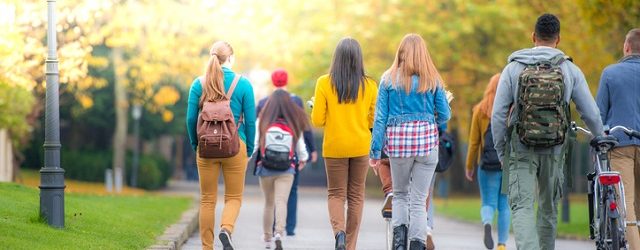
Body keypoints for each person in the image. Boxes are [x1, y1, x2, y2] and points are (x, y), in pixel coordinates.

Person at [492, 14, 604, 250]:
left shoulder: (512, 68)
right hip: (555, 148)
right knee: (548, 207)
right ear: (558, 39)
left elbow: (498, 115)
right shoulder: (570, 70)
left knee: (521, 206)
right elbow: (591, 113)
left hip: (520, 148)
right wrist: (601, 138)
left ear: (533, 37)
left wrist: (503, 153)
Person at [370, 33, 451, 250]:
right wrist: (430, 116)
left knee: (400, 195)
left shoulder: (388, 79)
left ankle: (398, 246)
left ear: (401, 53)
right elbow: (444, 115)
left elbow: (380, 118)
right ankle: (417, 245)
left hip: (398, 146)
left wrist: (375, 152)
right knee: (419, 200)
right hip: (426, 144)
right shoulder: (432, 79)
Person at [186, 41, 256, 250]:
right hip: (236, 146)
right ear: (231, 59)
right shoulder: (243, 84)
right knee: (234, 197)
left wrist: (195, 144)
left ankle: (207, 247)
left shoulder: (198, 84)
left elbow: (191, 119)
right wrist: (249, 149)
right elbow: (251, 121)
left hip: (206, 148)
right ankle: (226, 229)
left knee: (207, 199)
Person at [310, 37, 378, 250]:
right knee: (356, 195)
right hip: (360, 146)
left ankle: (339, 232)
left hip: (335, 146)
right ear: (359, 59)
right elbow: (373, 119)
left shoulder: (324, 82)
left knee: (336, 194)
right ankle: (350, 246)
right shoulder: (370, 85)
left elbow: (317, 120)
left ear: (336, 58)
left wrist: (316, 107)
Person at [256, 69, 318, 236]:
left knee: (270, 200)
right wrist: (311, 150)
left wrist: (253, 153)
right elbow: (304, 127)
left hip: (267, 157)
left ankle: (270, 231)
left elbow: (258, 131)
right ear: (286, 81)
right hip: (291, 155)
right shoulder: (295, 101)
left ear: (273, 81)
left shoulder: (263, 103)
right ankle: (287, 228)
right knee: (291, 192)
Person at [596, 28, 640, 250]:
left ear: (626, 47)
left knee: (627, 206)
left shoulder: (610, 73)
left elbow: (598, 116)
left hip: (620, 145)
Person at [254, 89, 310, 250]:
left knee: (268, 203)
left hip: (265, 167)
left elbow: (256, 144)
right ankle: (279, 232)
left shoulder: (263, 120)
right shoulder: (293, 121)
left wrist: (247, 157)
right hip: (287, 169)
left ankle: (267, 237)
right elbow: (301, 147)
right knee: (281, 201)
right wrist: (303, 159)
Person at [465, 74, 510, 250]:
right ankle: (501, 244)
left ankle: (487, 223)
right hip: (506, 165)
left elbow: (474, 142)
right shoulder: (510, 109)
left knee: (488, 202)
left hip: (486, 164)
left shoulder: (479, 110)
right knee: (504, 205)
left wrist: (469, 166)